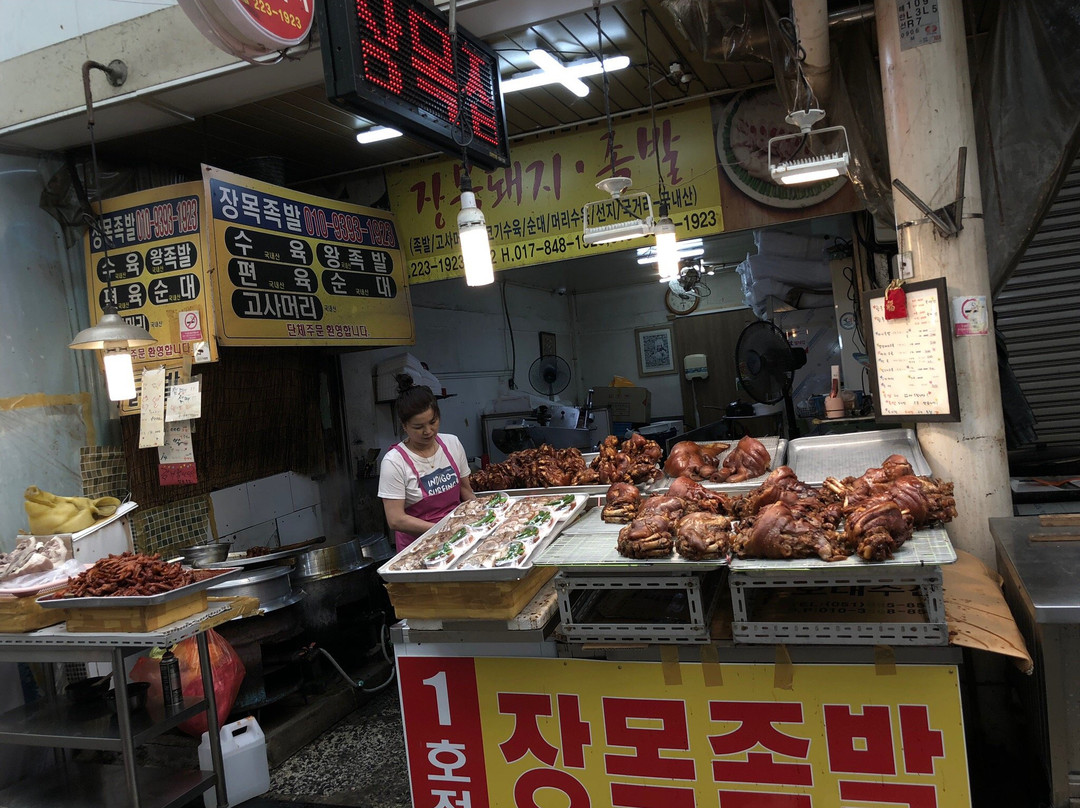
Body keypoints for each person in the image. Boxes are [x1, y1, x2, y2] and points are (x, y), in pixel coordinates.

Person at [379, 376, 475, 552]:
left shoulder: (452, 444)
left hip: (459, 537)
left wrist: (483, 515)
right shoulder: (394, 462)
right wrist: (442, 530)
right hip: (419, 548)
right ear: (404, 426)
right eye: (418, 427)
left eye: (433, 422)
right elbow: (395, 519)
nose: (428, 431)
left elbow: (465, 490)